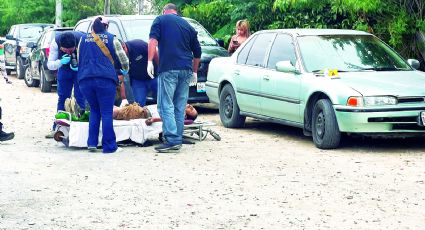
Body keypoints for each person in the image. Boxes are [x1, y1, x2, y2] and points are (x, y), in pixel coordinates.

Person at [148, 3, 201, 153]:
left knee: (165, 105)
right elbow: (197, 52)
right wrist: (195, 72)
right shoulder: (188, 25)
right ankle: (177, 137)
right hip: (186, 69)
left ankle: (172, 139)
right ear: (176, 12)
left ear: (164, 11)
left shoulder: (160, 20)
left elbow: (153, 41)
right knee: (179, 105)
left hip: (169, 68)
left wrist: (149, 61)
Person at [77, 16, 129, 153]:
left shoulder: (83, 39)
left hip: (85, 80)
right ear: (106, 27)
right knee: (106, 112)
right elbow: (124, 60)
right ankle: (109, 146)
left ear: (93, 27)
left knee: (94, 110)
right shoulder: (112, 38)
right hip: (105, 80)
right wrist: (124, 69)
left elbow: (78, 59)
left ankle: (92, 143)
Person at [46, 31, 86, 138]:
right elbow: (49, 65)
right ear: (61, 48)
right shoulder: (55, 43)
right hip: (64, 69)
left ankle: (81, 128)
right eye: (65, 50)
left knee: (80, 97)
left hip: (79, 69)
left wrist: (80, 65)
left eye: (71, 50)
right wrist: (60, 62)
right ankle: (57, 128)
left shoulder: (83, 40)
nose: (68, 52)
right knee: (63, 98)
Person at [122, 39, 159, 106]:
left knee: (162, 100)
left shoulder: (138, 45)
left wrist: (160, 67)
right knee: (139, 105)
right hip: (137, 81)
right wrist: (123, 98)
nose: (123, 52)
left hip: (153, 77)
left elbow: (154, 52)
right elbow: (120, 75)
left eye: (123, 49)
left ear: (124, 45)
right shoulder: (118, 56)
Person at [113, 103, 198, 123]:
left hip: (141, 112)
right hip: (140, 109)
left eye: (191, 109)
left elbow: (166, 119)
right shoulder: (177, 106)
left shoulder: (180, 115)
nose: (190, 106)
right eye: (192, 107)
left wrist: (154, 119)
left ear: (186, 116)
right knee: (113, 108)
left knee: (114, 111)